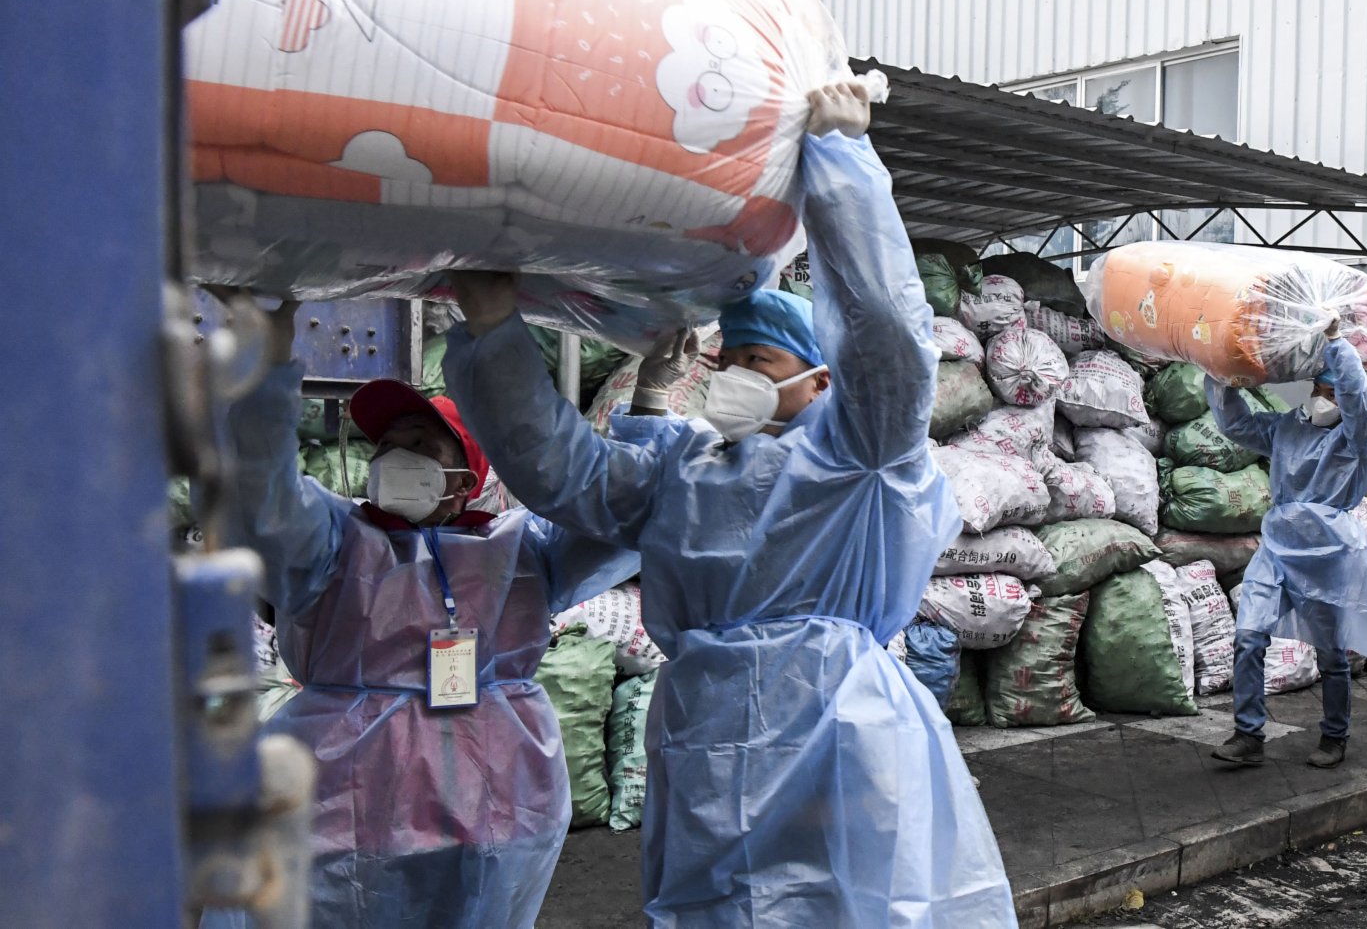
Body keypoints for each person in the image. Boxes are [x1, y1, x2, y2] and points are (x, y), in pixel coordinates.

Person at [445, 82, 1015, 927]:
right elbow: (564, 473)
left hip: (835, 727)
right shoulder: (683, 467)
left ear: (820, 380)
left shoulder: (860, 456)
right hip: (707, 733)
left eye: (764, 360)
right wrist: (493, 331)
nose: (736, 375)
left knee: (853, 906)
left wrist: (842, 163)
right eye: (730, 357)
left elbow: (887, 336)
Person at [205, 300, 637, 929]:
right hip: (346, 799)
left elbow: (619, 516)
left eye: (418, 444)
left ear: (464, 477)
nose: (393, 457)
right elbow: (262, 494)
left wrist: (649, 416)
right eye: (385, 445)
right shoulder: (333, 540)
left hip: (496, 800)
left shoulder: (519, 549)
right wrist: (269, 367)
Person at [1206, 327, 1367, 770]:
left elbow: (1359, 403)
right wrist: (1218, 367)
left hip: (1326, 552)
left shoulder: (1358, 442)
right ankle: (1248, 734)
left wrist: (1336, 343)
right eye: (1317, 388)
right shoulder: (1288, 428)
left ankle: (1334, 735)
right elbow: (1236, 423)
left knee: (1331, 653)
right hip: (1277, 545)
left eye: (1331, 392)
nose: (1321, 397)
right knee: (1248, 635)